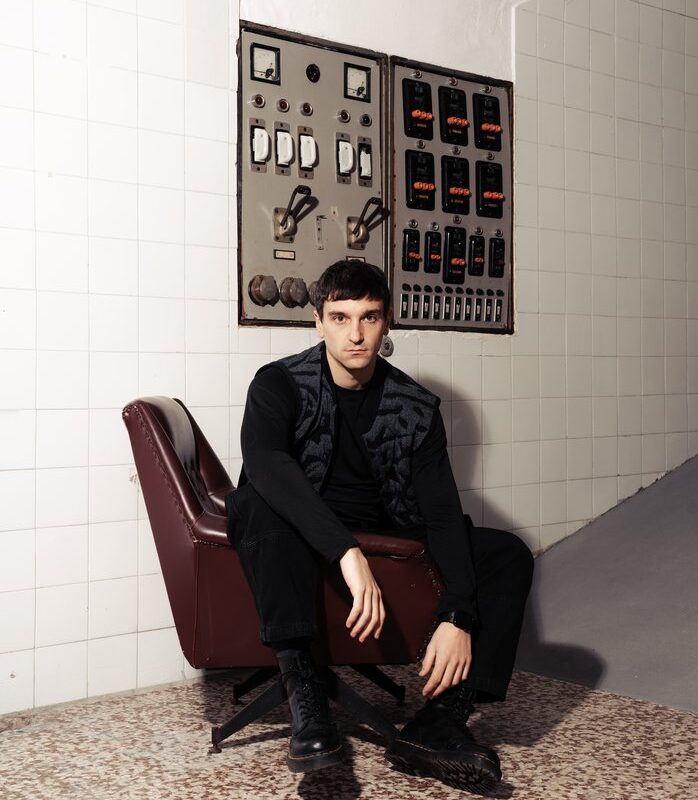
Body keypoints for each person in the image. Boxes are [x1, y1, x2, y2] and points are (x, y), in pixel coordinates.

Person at [225, 259, 534, 791]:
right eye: (340, 318)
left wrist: (458, 614)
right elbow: (266, 462)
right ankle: (305, 695)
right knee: (257, 498)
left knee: (506, 553)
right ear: (318, 322)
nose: (355, 334)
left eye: (368, 317)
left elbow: (441, 512)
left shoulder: (414, 407)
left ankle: (439, 722)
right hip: (298, 537)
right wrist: (345, 552)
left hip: (385, 535)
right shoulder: (279, 384)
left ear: (387, 321)